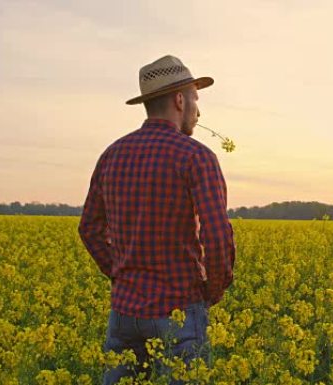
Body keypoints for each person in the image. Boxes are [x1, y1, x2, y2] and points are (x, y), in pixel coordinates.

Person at [78, 55, 235, 384]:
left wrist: (121, 272)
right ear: (179, 100)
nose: (198, 110)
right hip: (178, 311)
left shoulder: (112, 154)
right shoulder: (196, 157)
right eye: (195, 98)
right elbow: (217, 234)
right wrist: (213, 289)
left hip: (124, 313)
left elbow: (89, 229)